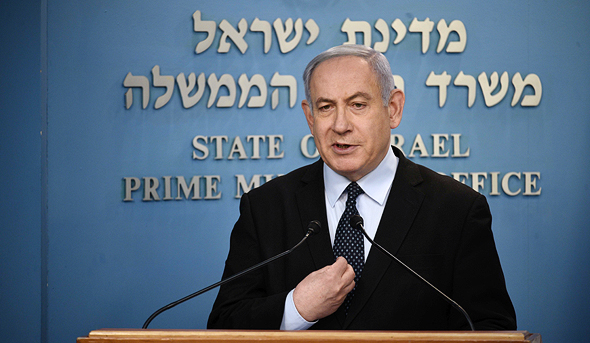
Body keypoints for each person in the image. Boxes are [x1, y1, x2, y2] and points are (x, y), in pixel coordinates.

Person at [207, 45, 516, 330]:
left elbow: (490, 328)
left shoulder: (456, 209)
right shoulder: (265, 207)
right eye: (326, 107)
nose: (341, 125)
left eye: (357, 104)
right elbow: (223, 324)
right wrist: (297, 308)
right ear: (309, 117)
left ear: (393, 108)